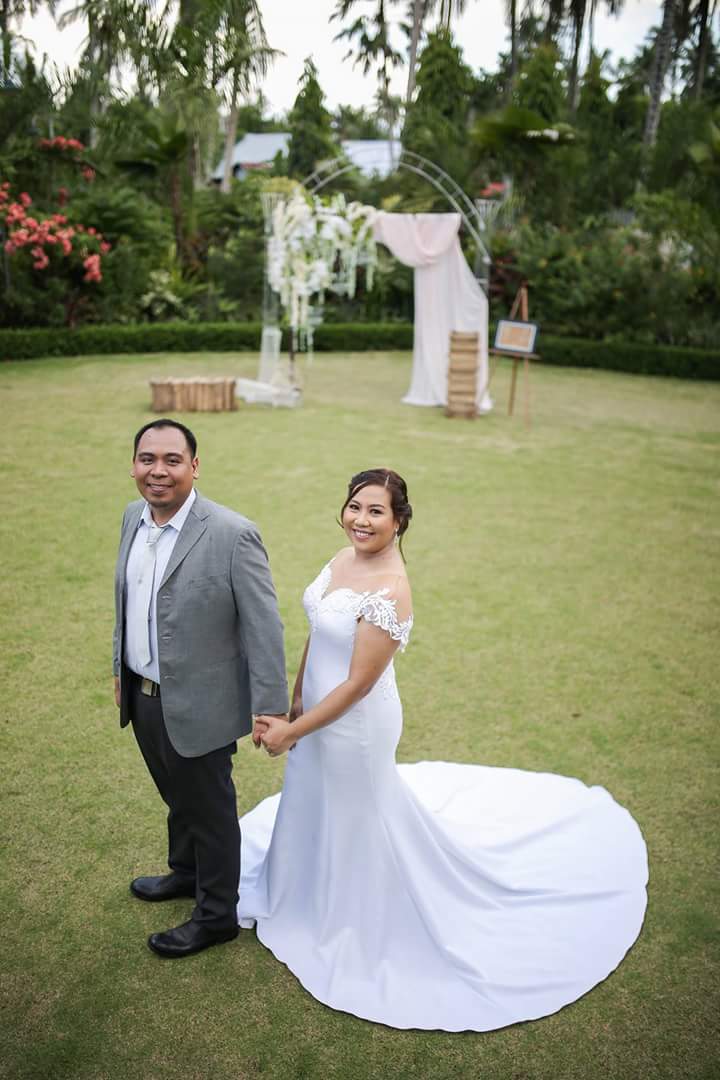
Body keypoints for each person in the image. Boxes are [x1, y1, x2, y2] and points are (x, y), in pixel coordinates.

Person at [247, 467, 648, 1032]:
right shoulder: (341, 559)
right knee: (314, 797)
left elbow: (359, 685)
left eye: (376, 511)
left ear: (400, 520)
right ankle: (302, 891)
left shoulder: (391, 589)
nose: (361, 520)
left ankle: (355, 917)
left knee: (359, 814)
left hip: (355, 726)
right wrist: (294, 700)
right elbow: (317, 631)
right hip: (316, 710)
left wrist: (297, 730)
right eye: (355, 506)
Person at [113, 419, 288, 959]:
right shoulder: (131, 517)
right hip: (143, 695)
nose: (157, 471)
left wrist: (271, 709)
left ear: (194, 466)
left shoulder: (233, 533)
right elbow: (128, 600)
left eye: (171, 459)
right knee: (177, 796)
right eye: (147, 459)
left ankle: (216, 917)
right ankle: (185, 873)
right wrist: (122, 671)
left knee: (210, 811)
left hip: (204, 704)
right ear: (135, 464)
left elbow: (264, 627)